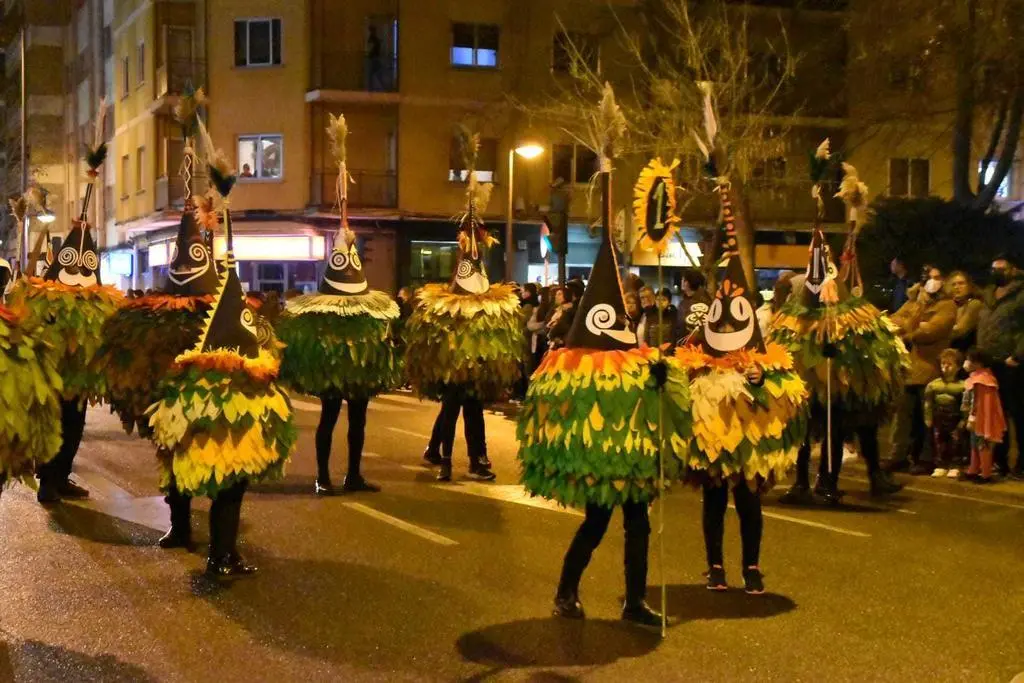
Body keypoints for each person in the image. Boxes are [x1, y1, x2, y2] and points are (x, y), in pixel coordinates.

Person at [277, 117, 401, 496]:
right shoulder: (324, 305)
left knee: (359, 420)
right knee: (330, 417)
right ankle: (322, 476)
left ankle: (353, 474)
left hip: (357, 366)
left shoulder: (365, 301)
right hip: (332, 365)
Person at [404, 163, 521, 483]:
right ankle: (443, 457)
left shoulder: (487, 305)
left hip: (475, 367)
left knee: (470, 409)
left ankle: (476, 458)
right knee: (453, 408)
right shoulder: (447, 304)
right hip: (453, 368)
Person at [887, 269, 956, 475]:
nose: (931, 282)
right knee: (902, 416)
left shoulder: (947, 305)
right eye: (927, 278)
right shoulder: (914, 303)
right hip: (908, 369)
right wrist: (914, 323)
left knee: (927, 418)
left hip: (930, 368)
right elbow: (893, 321)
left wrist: (909, 330)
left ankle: (926, 458)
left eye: (936, 277)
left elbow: (931, 331)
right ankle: (898, 456)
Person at [976, 254, 1024, 478]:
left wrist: (1018, 355)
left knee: (1018, 413)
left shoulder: (1020, 294)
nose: (997, 272)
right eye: (994, 268)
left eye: (1002, 268)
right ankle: (999, 461)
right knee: (996, 414)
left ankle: (1021, 464)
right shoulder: (989, 295)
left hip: (1012, 363)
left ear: (1013, 270)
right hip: (990, 363)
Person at [961, 348, 1006, 485]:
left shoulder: (982, 381)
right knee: (974, 445)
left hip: (980, 420)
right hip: (976, 419)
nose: (966, 363)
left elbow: (978, 403)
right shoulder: (979, 378)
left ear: (978, 363)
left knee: (983, 446)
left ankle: (985, 472)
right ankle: (973, 469)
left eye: (969, 360)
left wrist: (972, 419)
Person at [924, 349, 966, 479]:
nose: (945, 367)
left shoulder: (963, 386)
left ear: (958, 367)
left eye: (949, 364)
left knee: (956, 442)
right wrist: (928, 417)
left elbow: (966, 406)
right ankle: (941, 465)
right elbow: (928, 403)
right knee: (939, 442)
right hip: (938, 418)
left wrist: (963, 420)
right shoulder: (933, 385)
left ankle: (955, 465)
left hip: (954, 418)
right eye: (943, 363)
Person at [948, 271, 983, 352]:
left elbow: (959, 331)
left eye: (961, 283)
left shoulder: (974, 304)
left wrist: (937, 331)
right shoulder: (952, 305)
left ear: (969, 286)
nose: (957, 287)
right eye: (954, 284)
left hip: (965, 353)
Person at [678, 269, 711, 339]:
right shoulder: (684, 301)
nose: (681, 282)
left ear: (688, 282)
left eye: (683, 280)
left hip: (695, 346)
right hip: (684, 345)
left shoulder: (702, 302)